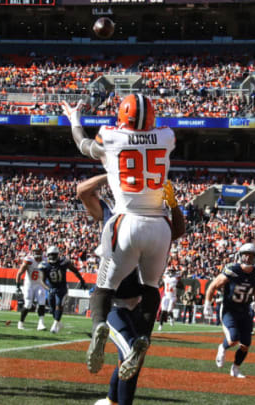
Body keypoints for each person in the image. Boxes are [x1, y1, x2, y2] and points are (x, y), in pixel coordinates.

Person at [62, 95, 176, 374]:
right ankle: (143, 337)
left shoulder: (110, 135)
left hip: (126, 219)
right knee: (151, 288)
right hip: (160, 224)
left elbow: (83, 145)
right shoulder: (167, 135)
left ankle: (100, 324)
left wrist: (74, 120)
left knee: (104, 287)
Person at [80, 173, 184, 405]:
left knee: (131, 358)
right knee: (131, 355)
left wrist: (173, 204)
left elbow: (177, 231)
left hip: (139, 300)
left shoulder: (155, 216)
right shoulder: (111, 211)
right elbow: (82, 191)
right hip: (115, 301)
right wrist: (110, 173)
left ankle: (111, 400)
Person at [203, 243, 255, 379]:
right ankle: (222, 348)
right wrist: (207, 303)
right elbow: (212, 286)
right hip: (229, 309)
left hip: (245, 311)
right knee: (233, 339)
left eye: (251, 256)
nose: (248, 258)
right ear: (240, 256)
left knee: (245, 344)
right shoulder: (233, 270)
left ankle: (235, 369)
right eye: (245, 255)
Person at [39, 245, 86, 333]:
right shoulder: (44, 265)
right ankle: (58, 322)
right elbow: (42, 281)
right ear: (48, 255)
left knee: (58, 305)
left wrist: (82, 280)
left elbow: (75, 270)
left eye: (54, 254)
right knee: (52, 309)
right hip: (52, 288)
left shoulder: (64, 263)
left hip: (62, 288)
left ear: (57, 255)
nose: (52, 256)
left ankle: (54, 326)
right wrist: (48, 288)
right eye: (51, 254)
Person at [15, 248, 48, 331]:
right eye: (35, 251)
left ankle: (41, 324)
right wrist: (18, 286)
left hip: (39, 284)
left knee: (42, 302)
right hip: (29, 284)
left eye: (38, 251)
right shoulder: (29, 260)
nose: (37, 253)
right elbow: (19, 273)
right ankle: (21, 323)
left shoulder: (45, 260)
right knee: (28, 304)